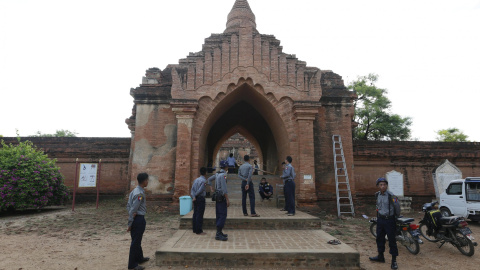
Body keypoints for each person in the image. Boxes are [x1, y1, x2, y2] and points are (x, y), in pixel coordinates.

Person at [369, 177, 401, 270]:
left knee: (392, 240)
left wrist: (396, 216)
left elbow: (397, 207)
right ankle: (380, 256)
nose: (383, 186)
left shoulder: (391, 196)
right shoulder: (377, 195)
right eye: (381, 185)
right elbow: (378, 206)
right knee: (379, 238)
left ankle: (394, 261)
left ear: (387, 185)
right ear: (378, 186)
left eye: (384, 184)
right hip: (380, 220)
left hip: (389, 220)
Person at [127, 172, 150, 270]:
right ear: (144, 181)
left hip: (137, 218)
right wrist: (130, 222)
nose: (148, 182)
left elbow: (128, 205)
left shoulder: (134, 191)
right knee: (136, 242)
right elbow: (133, 209)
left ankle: (139, 258)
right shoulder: (139, 194)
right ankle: (132, 265)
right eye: (147, 180)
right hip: (138, 220)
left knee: (137, 239)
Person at [207, 161, 230, 241]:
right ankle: (218, 233)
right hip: (221, 196)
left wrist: (211, 188)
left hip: (217, 196)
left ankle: (219, 232)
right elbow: (224, 189)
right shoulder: (223, 175)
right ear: (226, 167)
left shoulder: (217, 174)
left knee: (218, 214)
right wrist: (227, 199)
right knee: (223, 214)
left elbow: (209, 179)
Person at [191, 167, 207, 235]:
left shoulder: (196, 180)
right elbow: (200, 190)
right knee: (199, 214)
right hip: (200, 198)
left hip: (195, 198)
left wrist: (193, 196)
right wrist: (196, 195)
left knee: (195, 213)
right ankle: (199, 230)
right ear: (206, 173)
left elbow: (192, 189)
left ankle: (194, 229)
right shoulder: (203, 181)